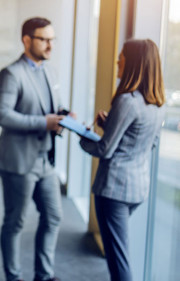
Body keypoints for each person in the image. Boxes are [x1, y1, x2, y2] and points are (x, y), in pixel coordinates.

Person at [79, 39, 165, 281]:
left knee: (118, 261)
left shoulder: (127, 100)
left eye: (121, 57)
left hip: (114, 190)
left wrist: (81, 136)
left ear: (134, 63)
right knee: (120, 254)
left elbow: (105, 149)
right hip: (137, 189)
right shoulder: (158, 104)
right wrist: (111, 125)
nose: (118, 61)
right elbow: (149, 143)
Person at [0, 17, 71, 281]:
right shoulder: (11, 74)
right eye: (44, 39)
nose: (50, 45)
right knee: (15, 223)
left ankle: (44, 276)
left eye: (52, 39)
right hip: (18, 161)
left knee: (54, 217)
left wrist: (63, 117)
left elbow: (51, 109)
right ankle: (14, 278)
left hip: (46, 161)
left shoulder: (50, 71)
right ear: (27, 40)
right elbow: (1, 115)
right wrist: (45, 122)